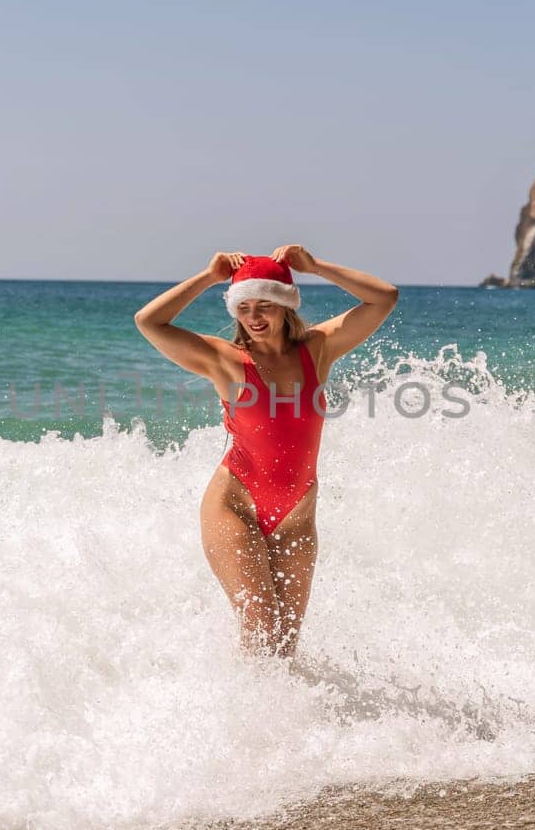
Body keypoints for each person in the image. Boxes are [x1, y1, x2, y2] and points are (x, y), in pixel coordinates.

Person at [133, 244, 398, 656]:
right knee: (261, 630)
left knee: (284, 646)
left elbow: (384, 297)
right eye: (244, 308)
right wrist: (209, 277)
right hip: (234, 504)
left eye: (265, 306)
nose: (254, 318)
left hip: (297, 517)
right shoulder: (226, 360)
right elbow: (148, 322)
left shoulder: (317, 349)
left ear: (285, 306)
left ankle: (285, 722)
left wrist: (316, 266)